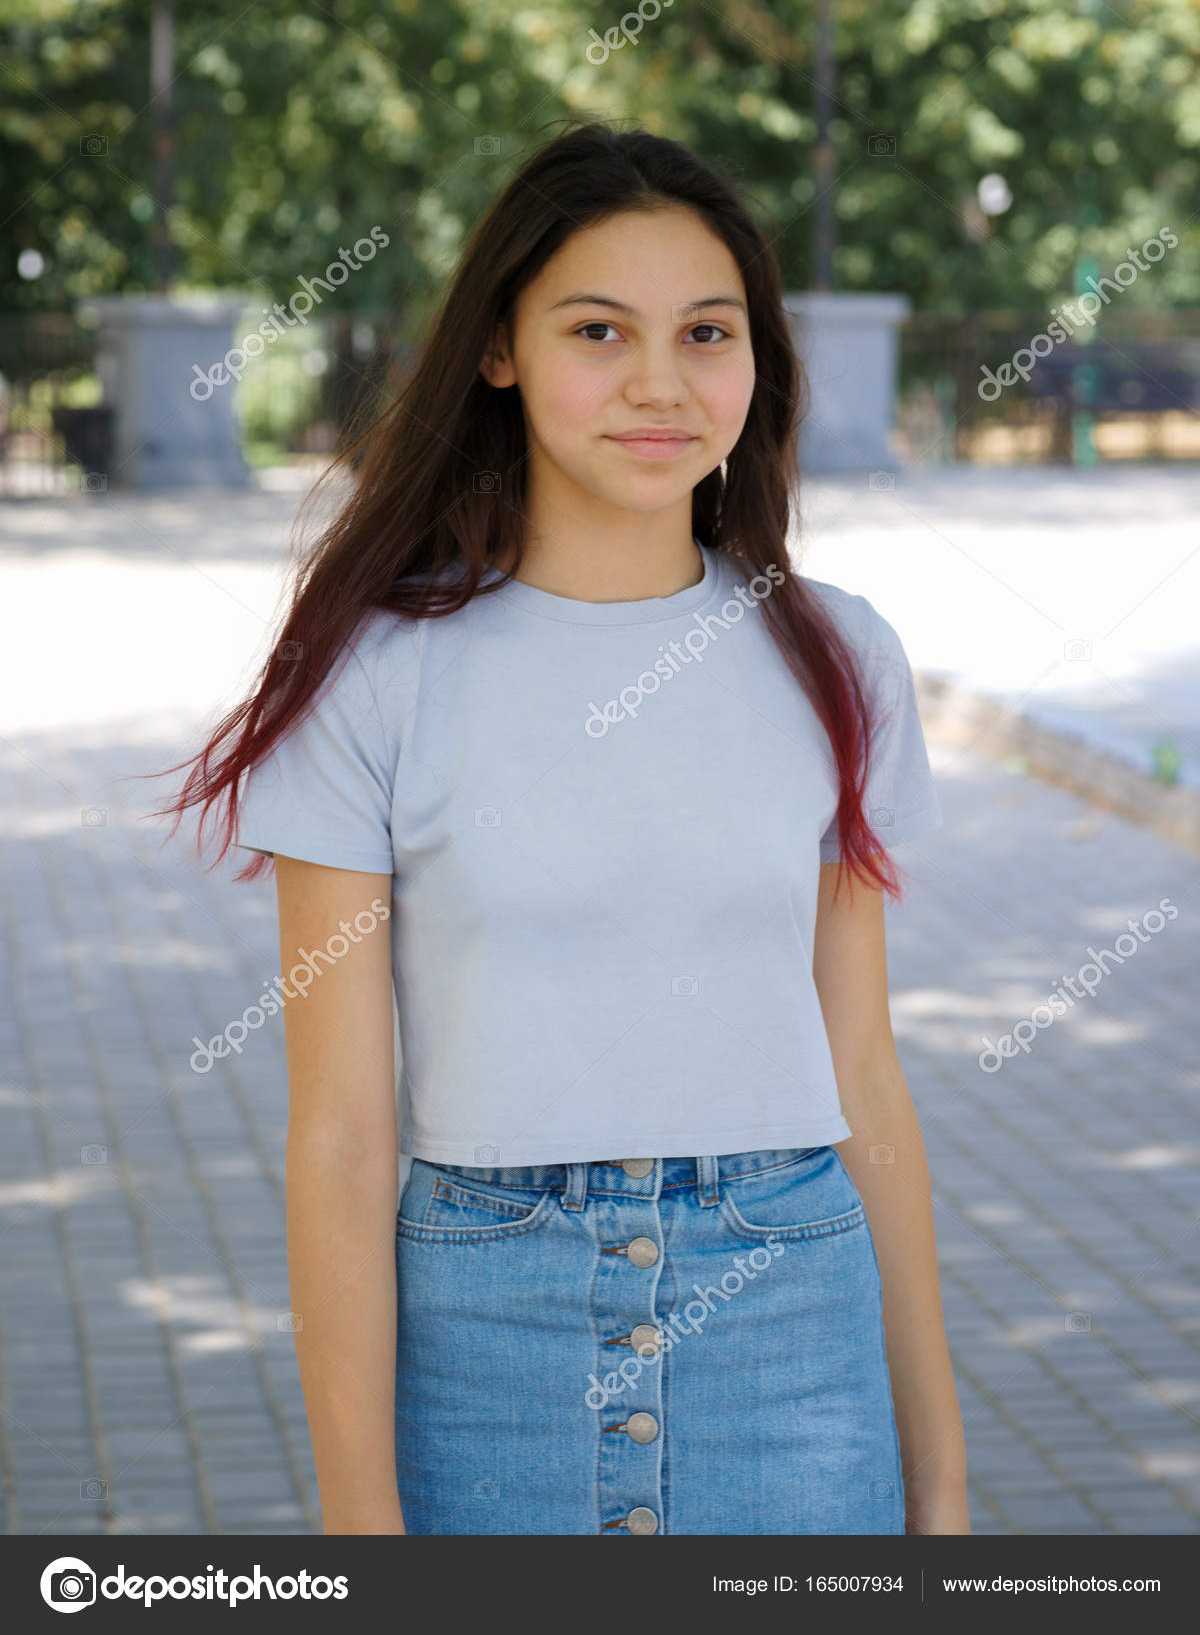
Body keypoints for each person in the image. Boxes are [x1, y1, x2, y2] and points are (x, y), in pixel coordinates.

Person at [161, 121, 968, 1537]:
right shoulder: (375, 674)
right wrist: (363, 1534)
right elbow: (342, 1136)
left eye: (708, 333)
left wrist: (943, 1490)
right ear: (501, 350)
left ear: (756, 363)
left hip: (794, 1338)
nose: (661, 383)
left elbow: (867, 1077)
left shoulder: (842, 660)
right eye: (600, 329)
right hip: (485, 1341)